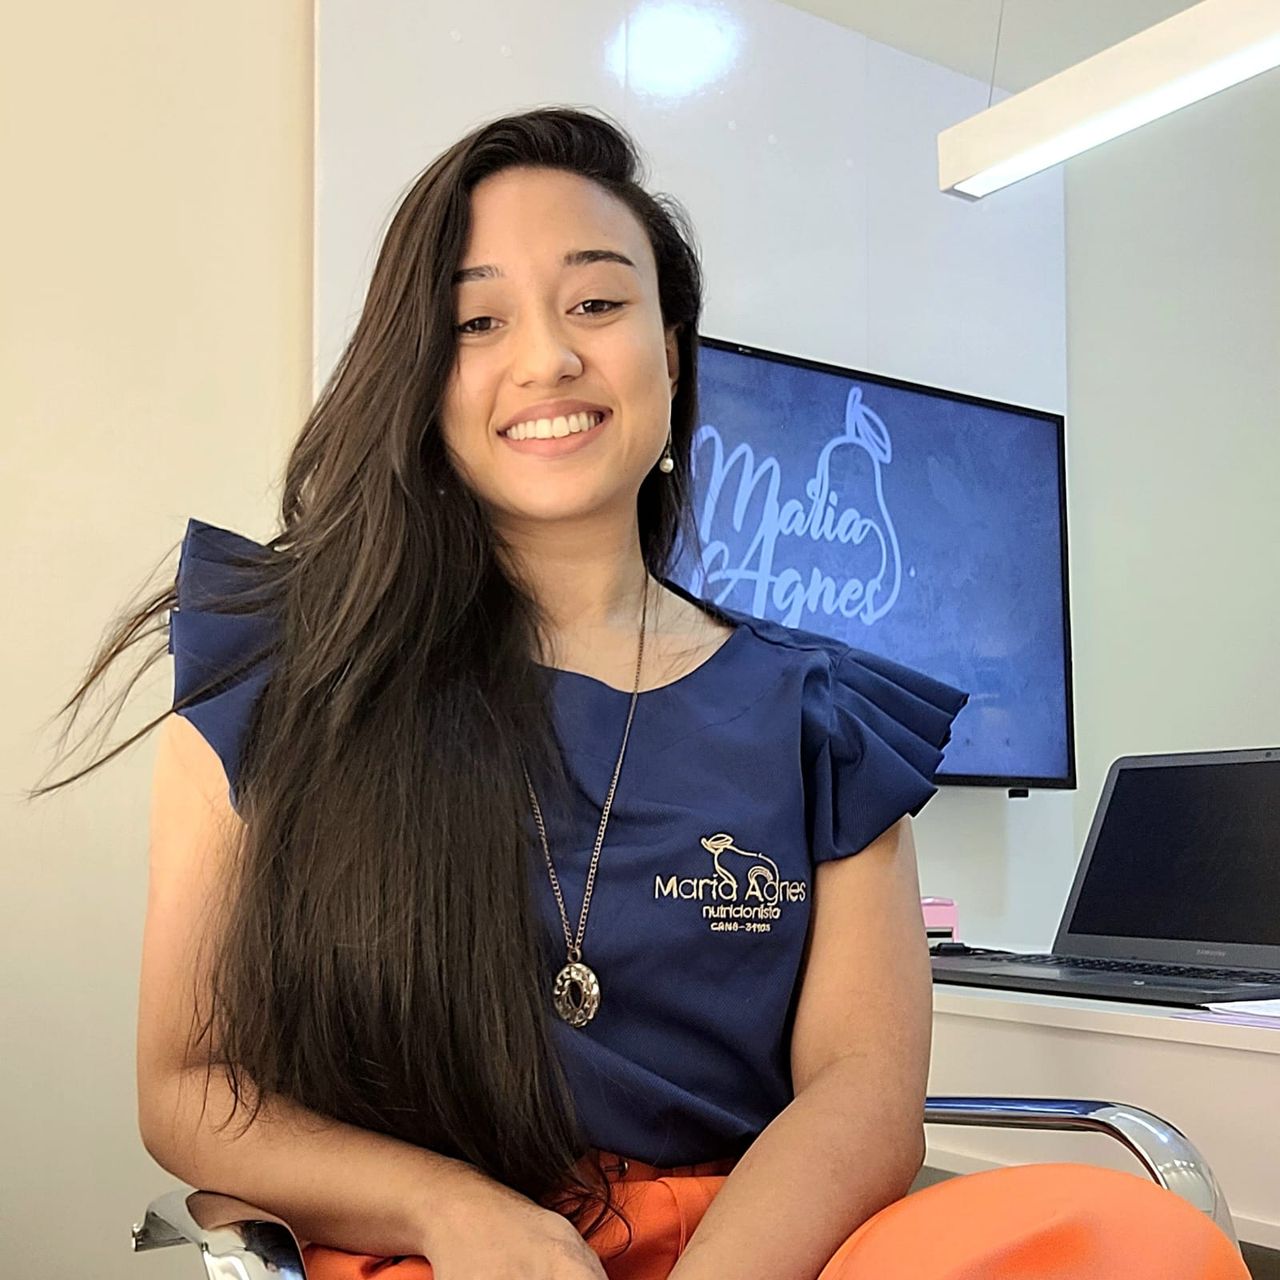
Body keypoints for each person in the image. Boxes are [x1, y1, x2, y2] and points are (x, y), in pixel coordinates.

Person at [36, 106, 1247, 1280]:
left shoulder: (819, 712)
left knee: (1132, 1239)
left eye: (597, 303)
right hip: (433, 1243)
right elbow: (190, 1084)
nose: (547, 357)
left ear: (671, 352)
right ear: (420, 376)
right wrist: (454, 1209)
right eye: (477, 320)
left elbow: (861, 1092)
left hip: (755, 1246)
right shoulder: (281, 660)